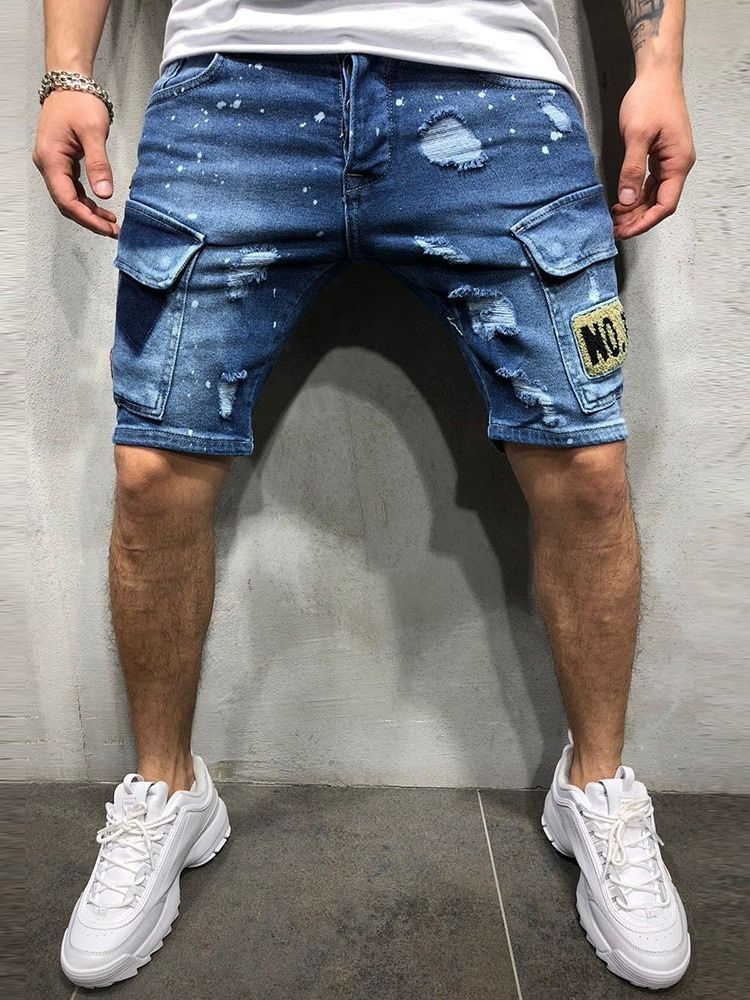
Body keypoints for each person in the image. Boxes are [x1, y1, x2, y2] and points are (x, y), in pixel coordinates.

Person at [34, 0, 696, 991]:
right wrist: (66, 71)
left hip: (498, 87)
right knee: (154, 470)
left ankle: (595, 788)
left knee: (587, 468)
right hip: (231, 85)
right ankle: (167, 793)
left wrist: (661, 63)